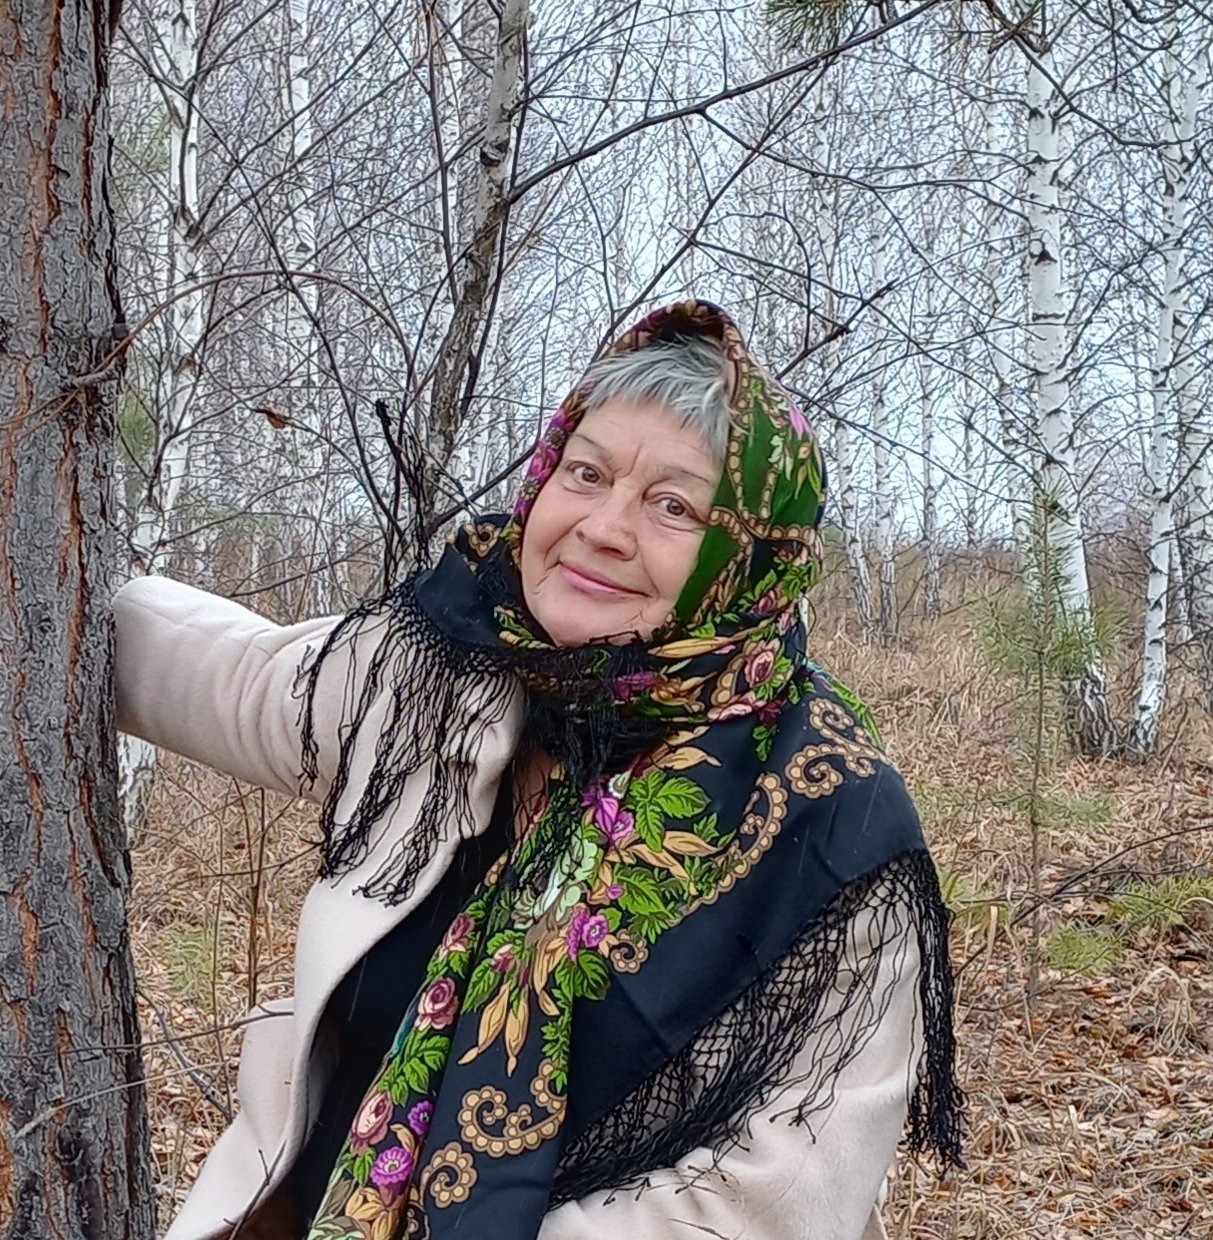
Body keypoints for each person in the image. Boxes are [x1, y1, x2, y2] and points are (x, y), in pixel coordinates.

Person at [115, 299, 962, 1240]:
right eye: (585, 473)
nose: (603, 526)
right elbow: (219, 674)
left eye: (674, 506)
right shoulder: (452, 666)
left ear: (752, 557)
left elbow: (771, 1207)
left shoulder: (831, 827)